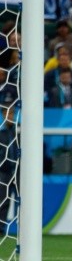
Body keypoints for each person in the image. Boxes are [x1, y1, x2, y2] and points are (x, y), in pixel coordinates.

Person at [0, 101, 18, 235]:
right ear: (3, 114)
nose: (12, 116)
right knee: (3, 200)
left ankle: (22, 228)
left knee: (18, 200)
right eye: (9, 113)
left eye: (13, 113)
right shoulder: (2, 132)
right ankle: (0, 229)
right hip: (3, 172)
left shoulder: (16, 131)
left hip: (16, 172)